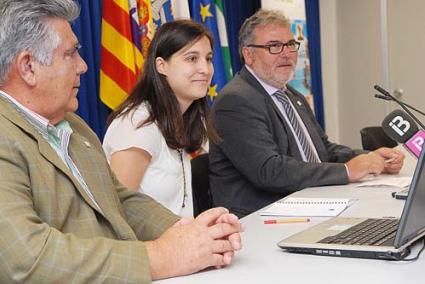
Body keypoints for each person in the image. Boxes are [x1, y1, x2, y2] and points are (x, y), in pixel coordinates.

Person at [0, 0, 242, 282]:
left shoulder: (73, 126)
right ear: (28, 67)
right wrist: (162, 257)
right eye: (70, 54)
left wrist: (190, 232)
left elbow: (119, 199)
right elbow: (25, 259)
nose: (84, 66)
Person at [209, 9, 405, 218]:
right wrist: (347, 171)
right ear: (248, 54)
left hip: (308, 203)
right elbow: (269, 170)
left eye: (291, 45)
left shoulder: (291, 95)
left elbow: (324, 150)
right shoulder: (236, 101)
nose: (287, 54)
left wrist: (370, 159)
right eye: (274, 46)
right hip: (261, 218)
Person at [103, 20, 218, 217]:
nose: (205, 70)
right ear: (161, 65)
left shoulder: (180, 117)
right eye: (191, 59)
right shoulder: (137, 124)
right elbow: (117, 215)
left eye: (208, 59)